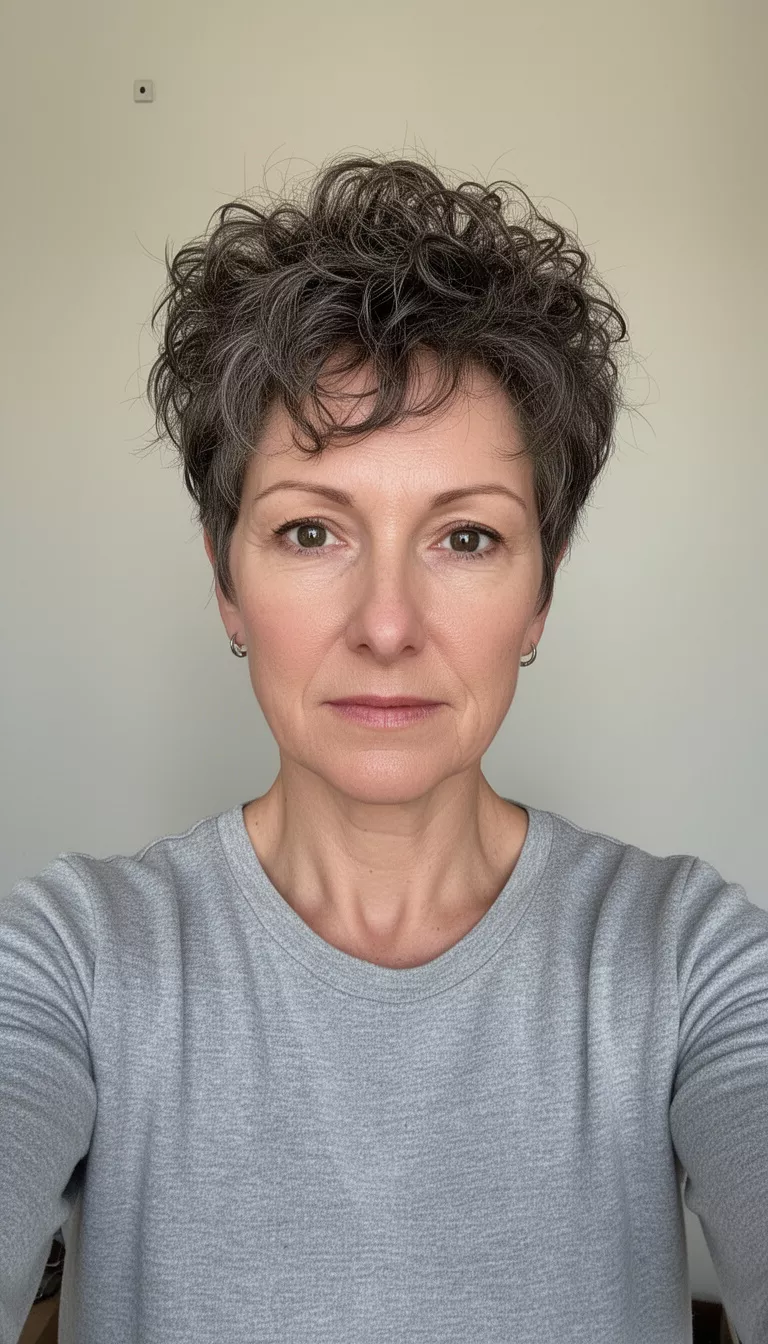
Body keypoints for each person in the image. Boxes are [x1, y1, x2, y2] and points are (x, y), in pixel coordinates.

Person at [0, 155, 765, 1344]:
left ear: (542, 596)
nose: (390, 625)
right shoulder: (71, 963)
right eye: (312, 529)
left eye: (466, 537)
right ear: (227, 585)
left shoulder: (690, 963)